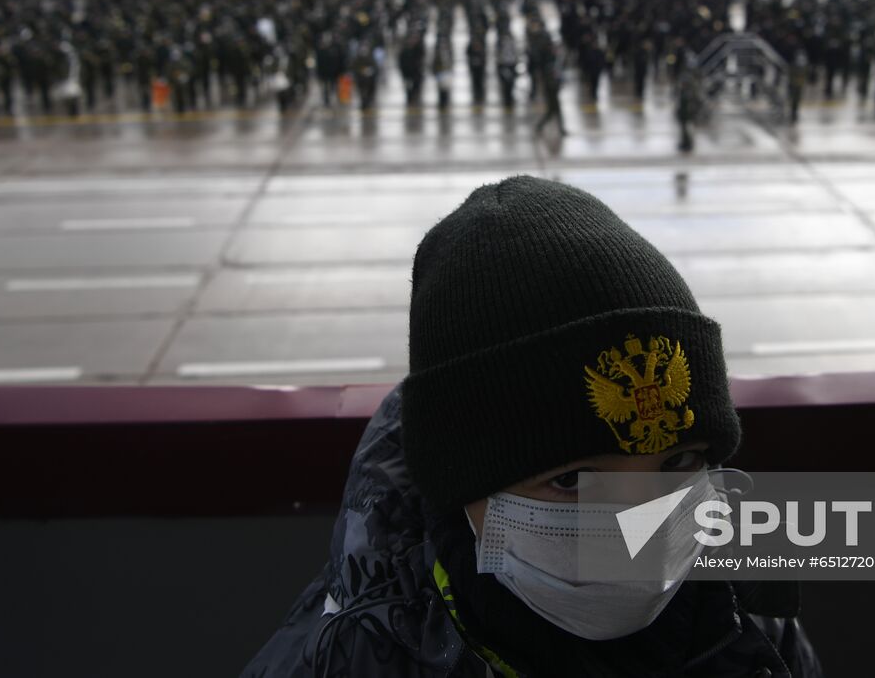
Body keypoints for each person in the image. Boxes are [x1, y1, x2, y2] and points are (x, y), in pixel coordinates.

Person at [242, 177, 822, 678]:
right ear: (459, 485)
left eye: (676, 464)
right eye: (571, 481)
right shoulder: (351, 660)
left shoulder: (750, 622)